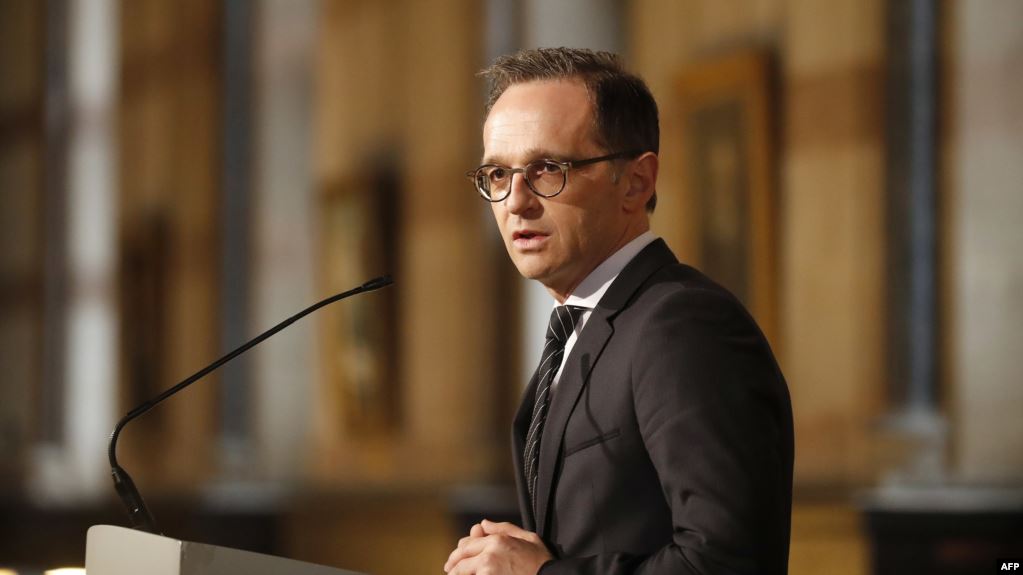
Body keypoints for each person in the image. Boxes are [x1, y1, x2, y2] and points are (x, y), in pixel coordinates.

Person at [444, 48, 793, 575]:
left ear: (636, 182)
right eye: (497, 174)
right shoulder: (580, 329)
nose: (515, 201)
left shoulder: (683, 325)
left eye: (547, 169)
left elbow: (726, 562)